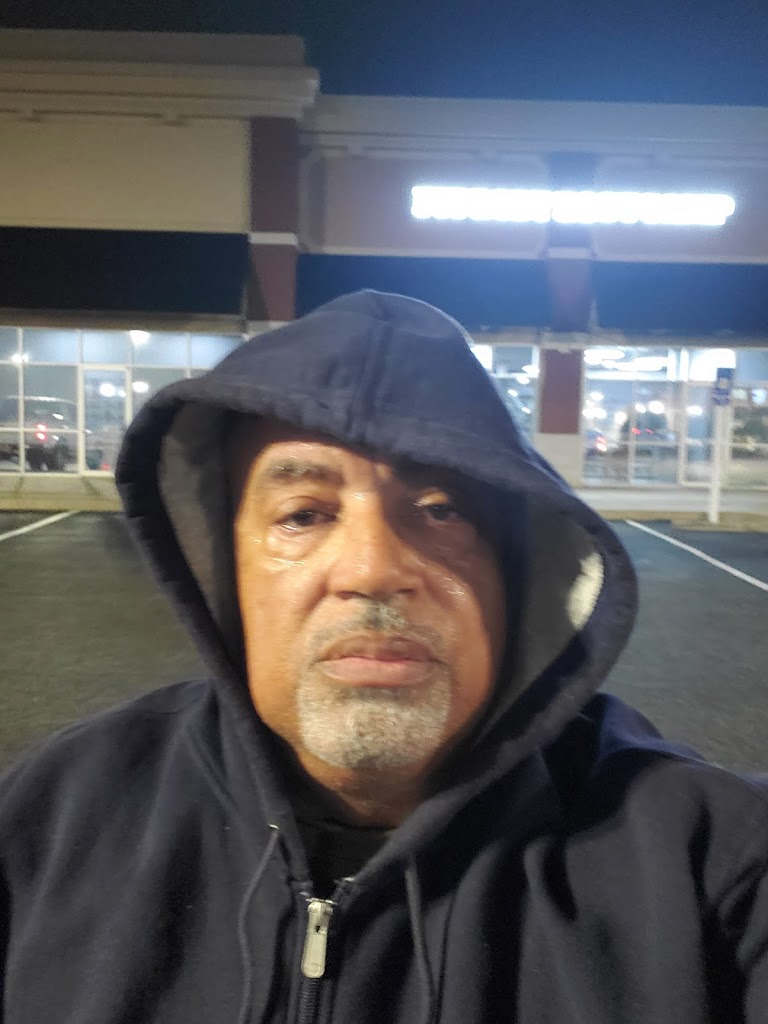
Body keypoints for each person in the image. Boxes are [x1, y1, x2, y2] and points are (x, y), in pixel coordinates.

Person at [1, 290, 767, 1023]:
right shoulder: (51, 821)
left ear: (517, 574)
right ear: (221, 572)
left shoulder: (710, 863)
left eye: (441, 510)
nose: (371, 570)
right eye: (303, 515)